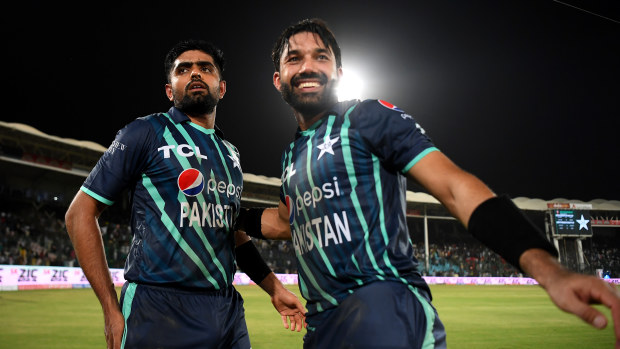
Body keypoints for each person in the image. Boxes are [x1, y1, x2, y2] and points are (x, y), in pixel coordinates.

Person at [234, 18, 620, 348]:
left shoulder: (368, 117)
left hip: (384, 309)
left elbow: (454, 187)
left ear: (339, 74)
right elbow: (288, 223)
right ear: (277, 78)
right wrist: (233, 217)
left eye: (321, 56)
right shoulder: (291, 156)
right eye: (294, 58)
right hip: (320, 327)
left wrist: (549, 270)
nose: (308, 66)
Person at [65, 39, 306, 349]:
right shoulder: (145, 132)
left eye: (205, 68)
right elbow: (79, 214)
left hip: (226, 311)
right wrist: (110, 310)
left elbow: (231, 231)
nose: (195, 73)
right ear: (169, 90)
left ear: (221, 88)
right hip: (157, 309)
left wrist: (273, 287)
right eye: (184, 69)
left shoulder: (230, 154)